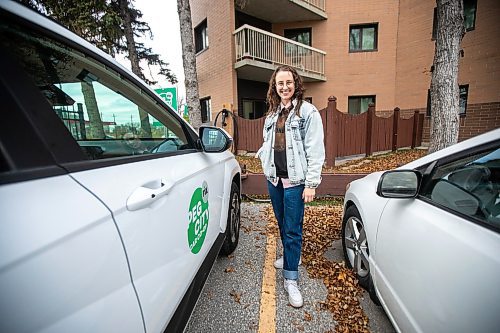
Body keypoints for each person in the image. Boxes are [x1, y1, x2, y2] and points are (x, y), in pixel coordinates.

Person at [256, 65, 325, 308]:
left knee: (293, 229)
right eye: (279, 84)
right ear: (275, 88)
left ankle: (291, 279)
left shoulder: (307, 112)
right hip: (274, 179)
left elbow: (316, 151)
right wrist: (263, 158)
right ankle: (289, 257)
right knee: (282, 223)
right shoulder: (273, 114)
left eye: (288, 82)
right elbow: (268, 143)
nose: (284, 87)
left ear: (296, 84)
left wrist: (311, 184)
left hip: (296, 182)